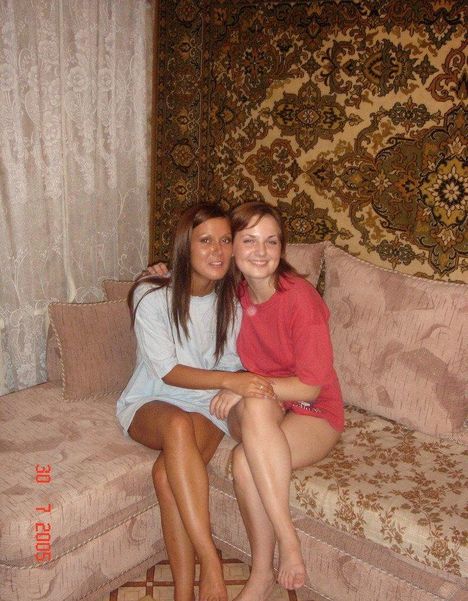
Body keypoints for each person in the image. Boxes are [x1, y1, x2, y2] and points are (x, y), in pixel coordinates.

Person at [116, 203, 276, 601]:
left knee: (165, 477)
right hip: (151, 401)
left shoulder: (232, 303)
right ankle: (210, 560)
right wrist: (230, 380)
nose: (217, 251)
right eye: (205, 241)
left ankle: (183, 595)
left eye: (225, 241)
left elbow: (233, 361)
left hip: (207, 406)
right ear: (186, 246)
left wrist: (230, 383)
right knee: (176, 424)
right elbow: (167, 372)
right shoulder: (151, 295)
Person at [209, 202, 344, 601]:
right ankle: (270, 564)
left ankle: (272, 560)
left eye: (271, 241)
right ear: (232, 246)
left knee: (243, 462)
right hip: (267, 406)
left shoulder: (299, 298)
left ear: (282, 249)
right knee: (254, 405)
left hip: (313, 409)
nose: (261, 251)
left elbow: (310, 388)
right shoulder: (232, 292)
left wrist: (243, 384)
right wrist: (159, 274)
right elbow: (188, 281)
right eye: (249, 240)